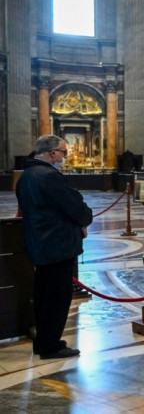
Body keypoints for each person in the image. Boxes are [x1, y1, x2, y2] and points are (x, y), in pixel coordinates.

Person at [15, 134, 92, 359]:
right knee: (57, 297)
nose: (65, 157)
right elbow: (76, 207)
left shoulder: (26, 176)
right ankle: (52, 346)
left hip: (39, 244)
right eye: (63, 153)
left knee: (43, 295)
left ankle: (43, 341)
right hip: (57, 246)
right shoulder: (50, 177)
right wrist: (85, 219)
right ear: (52, 153)